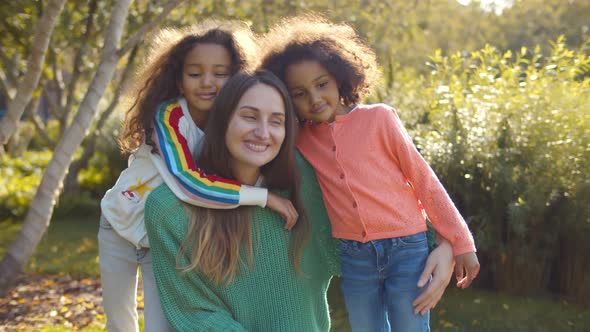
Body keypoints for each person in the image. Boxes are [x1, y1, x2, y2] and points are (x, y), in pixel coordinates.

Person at [260, 15, 480, 332]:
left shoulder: (380, 119)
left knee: (409, 324)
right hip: (354, 255)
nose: (314, 99)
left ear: (340, 77)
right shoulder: (303, 140)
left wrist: (461, 243)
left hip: (407, 248)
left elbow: (424, 181)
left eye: (322, 84)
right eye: (299, 93)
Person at [98, 21, 295, 332]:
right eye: (195, 73)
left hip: (161, 239)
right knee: (120, 323)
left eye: (220, 73)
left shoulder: (230, 124)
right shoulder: (169, 115)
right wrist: (263, 197)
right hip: (118, 224)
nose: (207, 82)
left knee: (161, 326)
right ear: (178, 80)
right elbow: (188, 182)